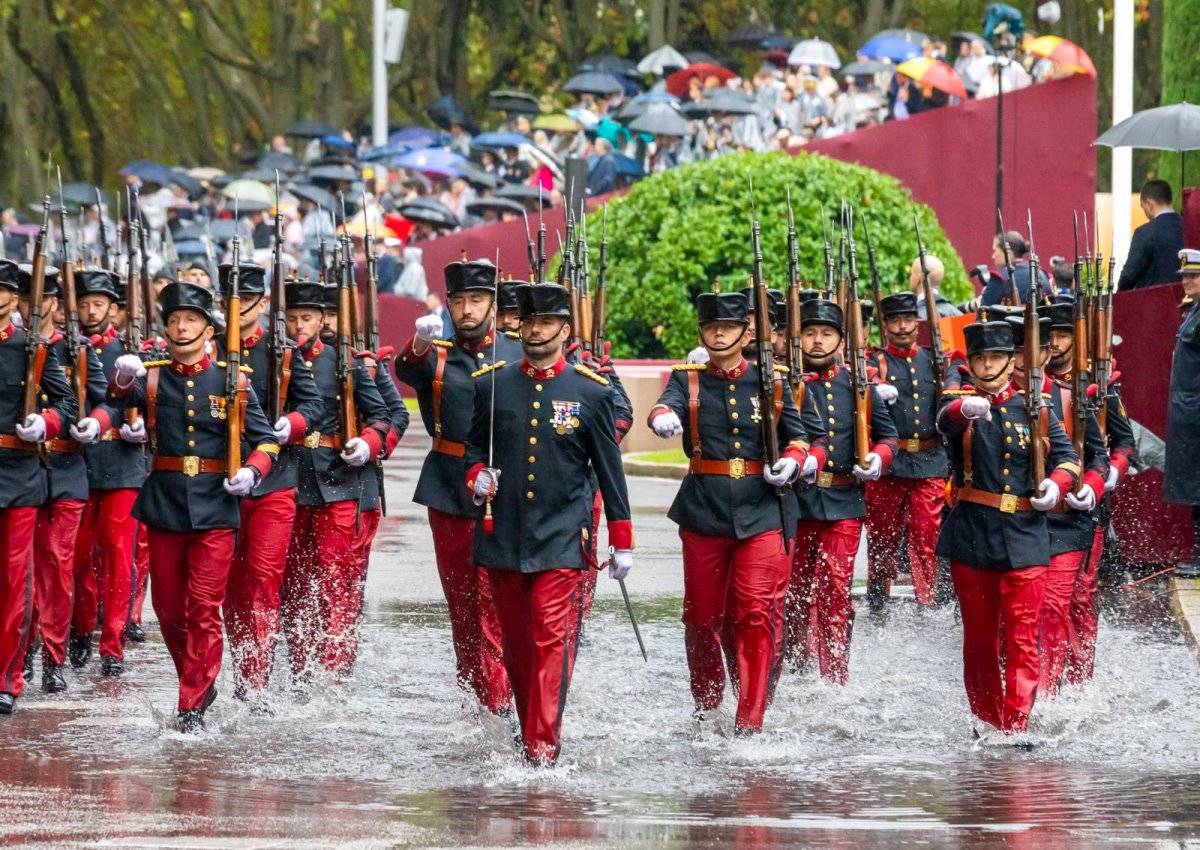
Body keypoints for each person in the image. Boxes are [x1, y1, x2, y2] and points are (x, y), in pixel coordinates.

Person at [78, 281, 279, 732]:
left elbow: (264, 439)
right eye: (173, 320)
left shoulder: (233, 380)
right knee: (169, 610)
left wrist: (253, 470)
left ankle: (191, 701)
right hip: (165, 503)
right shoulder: (151, 377)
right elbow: (112, 400)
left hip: (215, 506)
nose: (181, 327)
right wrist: (119, 384)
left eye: (190, 319)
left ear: (209, 330)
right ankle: (197, 678)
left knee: (204, 606)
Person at [465, 282, 633, 766]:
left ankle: (542, 748)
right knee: (517, 645)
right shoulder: (490, 383)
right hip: (504, 533)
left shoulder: (591, 391)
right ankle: (530, 730)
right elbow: (475, 451)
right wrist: (477, 478)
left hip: (562, 534)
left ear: (565, 329)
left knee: (548, 637)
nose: (536, 330)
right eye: (529, 321)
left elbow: (609, 470)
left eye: (546, 323)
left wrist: (622, 540)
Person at [646, 290, 810, 735]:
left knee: (755, 614)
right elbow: (667, 405)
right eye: (711, 326)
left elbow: (798, 436)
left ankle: (750, 721)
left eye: (729, 327)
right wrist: (661, 416)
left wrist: (794, 461)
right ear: (701, 331)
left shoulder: (771, 381)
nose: (719, 333)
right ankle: (708, 702)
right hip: (705, 510)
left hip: (763, 510)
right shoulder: (690, 379)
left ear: (746, 333)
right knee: (701, 619)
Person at [936, 320, 1080, 735]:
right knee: (980, 641)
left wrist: (1058, 484)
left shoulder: (1037, 409)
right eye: (979, 357)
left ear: (1011, 360)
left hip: (1026, 535)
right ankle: (987, 721)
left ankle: (1016, 726)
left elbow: (1068, 457)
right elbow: (944, 422)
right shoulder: (957, 402)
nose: (987, 364)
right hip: (974, 534)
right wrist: (966, 409)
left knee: (1022, 637)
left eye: (995, 357)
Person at [396, 258, 520, 716]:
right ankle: (477, 691)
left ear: (492, 303)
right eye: (459, 301)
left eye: (476, 300)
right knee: (463, 604)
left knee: (494, 600)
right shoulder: (439, 354)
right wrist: (420, 341)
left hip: (504, 492)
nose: (467, 310)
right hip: (448, 488)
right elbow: (407, 370)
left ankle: (501, 701)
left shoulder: (516, 352)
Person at [213, 265, 323, 706]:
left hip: (275, 481)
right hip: (219, 483)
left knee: (262, 579)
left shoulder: (284, 353)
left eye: (245, 301)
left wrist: (290, 424)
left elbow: (313, 405)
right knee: (228, 585)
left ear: (261, 304)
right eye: (228, 301)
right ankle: (239, 662)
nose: (235, 309)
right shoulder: (208, 347)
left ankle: (254, 679)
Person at [282, 282, 392, 684]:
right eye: (292, 318)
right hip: (291, 481)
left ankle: (334, 667)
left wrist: (367, 442)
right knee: (293, 582)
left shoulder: (342, 362)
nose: (298, 326)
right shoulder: (279, 362)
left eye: (306, 318)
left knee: (334, 577)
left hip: (339, 482)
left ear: (323, 320)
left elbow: (383, 415)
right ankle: (300, 665)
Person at [786, 298, 898, 684]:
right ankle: (795, 664)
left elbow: (889, 437)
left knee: (836, 587)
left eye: (826, 334)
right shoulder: (785, 382)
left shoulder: (856, 385)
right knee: (794, 591)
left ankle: (835, 673)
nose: (817, 341)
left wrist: (878, 459)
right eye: (810, 333)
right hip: (795, 503)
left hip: (844, 501)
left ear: (840, 339)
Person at [17, 264, 105, 694]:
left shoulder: (79, 349)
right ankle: (22, 651)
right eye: (24, 301)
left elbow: (106, 400)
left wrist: (96, 422)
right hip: (23, 470)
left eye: (41, 301)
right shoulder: (15, 346)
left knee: (57, 564)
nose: (32, 309)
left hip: (69, 469)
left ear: (54, 303)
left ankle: (53, 655)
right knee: (24, 570)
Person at [1040, 299, 1136, 685]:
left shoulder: (1098, 385)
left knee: (1078, 596)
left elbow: (1125, 445)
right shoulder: (1032, 385)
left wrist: (1107, 477)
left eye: (1065, 334)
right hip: (1040, 504)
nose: (1059, 343)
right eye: (1053, 336)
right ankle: (1042, 673)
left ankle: (1077, 680)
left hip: (1085, 506)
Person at [0, 258, 75, 715]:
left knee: (12, 582)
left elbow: (66, 402)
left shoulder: (31, 348)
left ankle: (7, 676)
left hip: (17, 472)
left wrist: (43, 422)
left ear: (14, 299)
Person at [69, 268, 149, 675]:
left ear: (114, 310)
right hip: (79, 464)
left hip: (122, 465)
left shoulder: (131, 353)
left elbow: (152, 403)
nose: (89, 311)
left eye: (97, 304)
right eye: (83, 304)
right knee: (80, 557)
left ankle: (112, 643)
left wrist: (142, 428)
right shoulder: (71, 349)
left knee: (118, 557)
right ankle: (82, 628)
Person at [864, 292, 950, 611]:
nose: (902, 327)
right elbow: (863, 377)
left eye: (908, 320)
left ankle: (924, 599)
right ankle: (878, 597)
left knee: (926, 535)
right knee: (883, 536)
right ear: (885, 325)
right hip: (890, 463)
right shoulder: (876, 362)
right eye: (895, 321)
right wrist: (874, 387)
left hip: (930, 461)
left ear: (918, 322)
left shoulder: (934, 360)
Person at [1165, 249, 1200, 576]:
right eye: (1185, 276)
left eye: (1193, 276)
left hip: (1196, 411)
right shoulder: (1194, 312)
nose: (1187, 281)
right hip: (1189, 412)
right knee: (1193, 485)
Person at [1118, 180, 1184, 291]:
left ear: (1149, 204)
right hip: (1188, 302)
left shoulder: (1145, 233)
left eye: (1142, 206)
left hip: (1154, 302)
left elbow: (1129, 275)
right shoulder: (1189, 228)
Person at [977, 231, 1049, 307]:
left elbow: (983, 311)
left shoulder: (1000, 278)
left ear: (1007, 252)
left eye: (995, 251)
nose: (993, 256)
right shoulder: (1042, 274)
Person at [908, 254, 961, 319]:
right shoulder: (956, 313)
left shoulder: (911, 318)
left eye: (912, 274)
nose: (910, 278)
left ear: (920, 277)